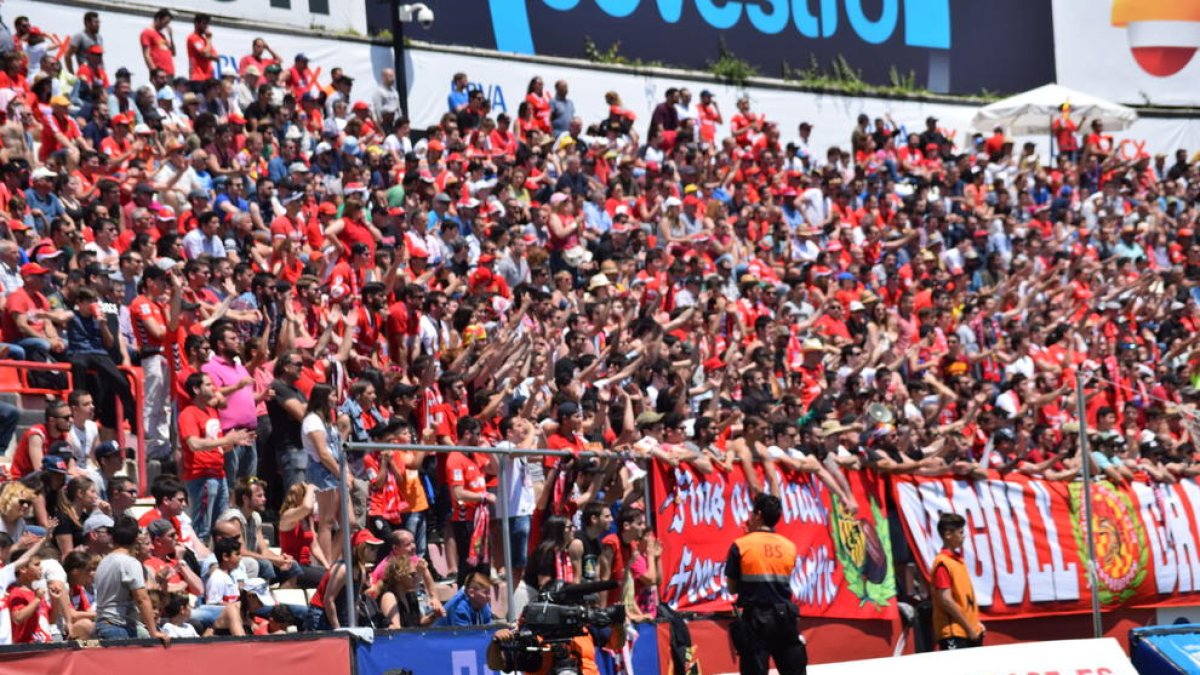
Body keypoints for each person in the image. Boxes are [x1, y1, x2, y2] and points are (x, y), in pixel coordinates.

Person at [725, 492, 806, 675]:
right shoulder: (789, 546)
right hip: (785, 618)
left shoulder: (741, 545)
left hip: (756, 620)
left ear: (758, 514)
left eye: (752, 513)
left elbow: (732, 588)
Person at [178, 372, 254, 542]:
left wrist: (235, 442)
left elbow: (216, 445)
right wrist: (227, 439)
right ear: (196, 389)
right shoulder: (188, 414)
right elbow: (194, 444)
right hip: (201, 476)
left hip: (219, 474)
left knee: (221, 527)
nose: (213, 388)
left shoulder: (211, 412)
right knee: (202, 528)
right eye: (207, 384)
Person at [92, 516, 169, 643]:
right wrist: (153, 631)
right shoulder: (130, 563)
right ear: (136, 539)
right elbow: (142, 598)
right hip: (118, 627)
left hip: (103, 624)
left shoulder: (103, 562)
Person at [931, 512, 984, 650]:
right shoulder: (943, 563)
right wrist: (969, 628)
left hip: (968, 632)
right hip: (954, 634)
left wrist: (975, 624)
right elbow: (946, 600)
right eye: (960, 532)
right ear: (948, 534)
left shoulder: (958, 561)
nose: (963, 536)